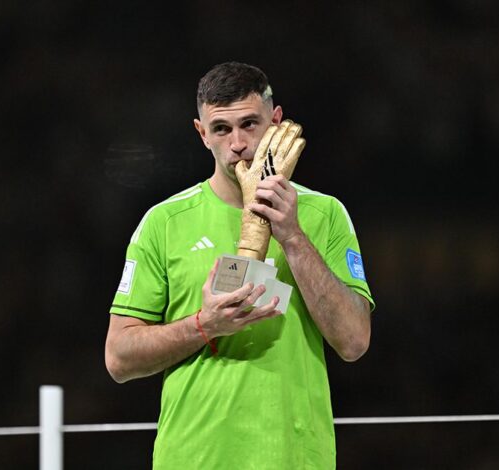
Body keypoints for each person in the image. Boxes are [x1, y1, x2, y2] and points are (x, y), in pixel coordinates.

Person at [105, 61, 374, 469]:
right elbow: (119, 358)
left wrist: (293, 237)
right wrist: (204, 325)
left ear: (276, 121)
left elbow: (354, 342)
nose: (238, 143)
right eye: (221, 129)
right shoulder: (163, 223)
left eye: (250, 124)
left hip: (295, 458)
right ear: (202, 134)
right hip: (195, 458)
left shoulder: (324, 214)